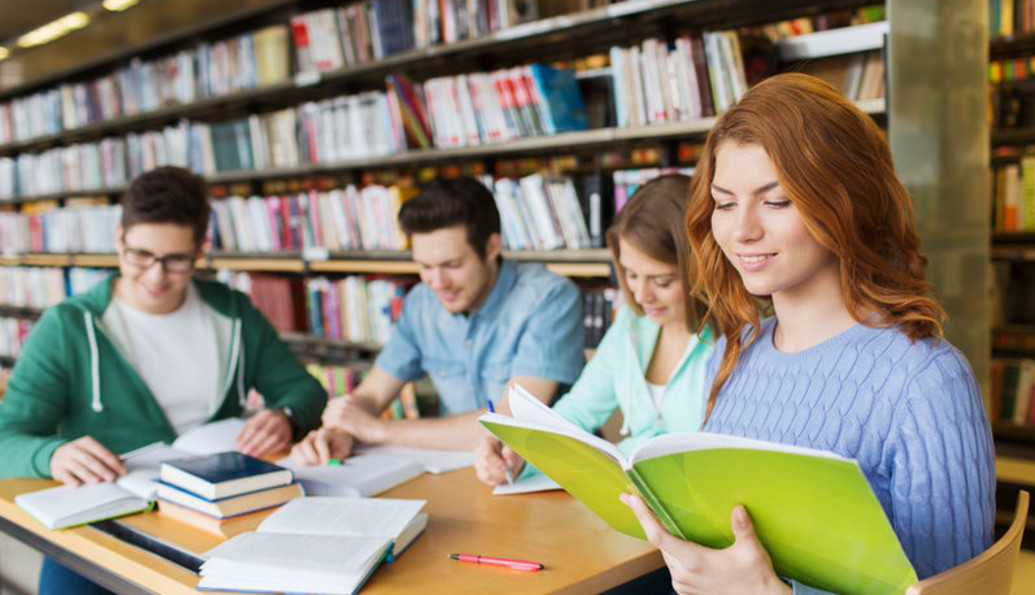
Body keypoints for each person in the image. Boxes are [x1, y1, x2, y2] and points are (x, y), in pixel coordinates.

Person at [620, 73, 995, 594]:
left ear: (847, 201)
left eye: (777, 201)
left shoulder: (925, 381)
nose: (741, 230)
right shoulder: (734, 352)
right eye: (725, 203)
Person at [0, 166, 328, 594]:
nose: (156, 276)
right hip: (103, 528)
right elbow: (7, 438)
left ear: (201, 249)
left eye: (175, 260)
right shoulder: (68, 326)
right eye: (140, 255)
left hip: (221, 524)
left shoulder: (232, 313)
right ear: (119, 238)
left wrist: (285, 415)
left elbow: (306, 391)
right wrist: (52, 454)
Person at [291, 177, 585, 463]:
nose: (437, 282)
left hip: (549, 476)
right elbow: (372, 394)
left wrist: (376, 429)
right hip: (460, 472)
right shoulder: (420, 302)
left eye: (452, 265)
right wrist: (340, 431)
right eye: (425, 266)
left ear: (492, 247)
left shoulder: (550, 298)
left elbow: (512, 425)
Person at [474, 174, 715, 486]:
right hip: (635, 496)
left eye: (662, 281)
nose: (642, 296)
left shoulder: (735, 337)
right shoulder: (632, 324)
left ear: (700, 266)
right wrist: (521, 453)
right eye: (630, 274)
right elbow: (577, 412)